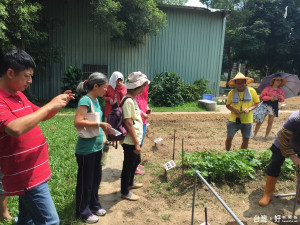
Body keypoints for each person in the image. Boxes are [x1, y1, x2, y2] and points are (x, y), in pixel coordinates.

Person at [0, 49, 74, 224]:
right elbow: (14, 128)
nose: (30, 81)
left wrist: (57, 104)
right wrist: (49, 106)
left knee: (27, 220)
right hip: (27, 176)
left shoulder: (18, 96)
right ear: (10, 73)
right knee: (51, 222)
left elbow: (41, 115)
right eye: (27, 76)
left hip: (34, 171)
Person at [74, 72, 113, 223]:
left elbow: (94, 122)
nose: (106, 90)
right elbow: (78, 121)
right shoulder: (85, 100)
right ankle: (82, 211)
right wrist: (100, 124)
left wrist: (105, 129)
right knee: (85, 181)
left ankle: (93, 204)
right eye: (104, 87)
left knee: (96, 179)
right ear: (95, 86)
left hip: (96, 147)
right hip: (86, 150)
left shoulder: (96, 100)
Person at [259, 110, 300, 206]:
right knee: (275, 164)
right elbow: (283, 139)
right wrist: (294, 157)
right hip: (282, 143)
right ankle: (268, 194)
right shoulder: (295, 120)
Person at [120, 71, 150, 201]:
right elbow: (128, 123)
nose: (144, 88)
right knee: (128, 164)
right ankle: (124, 191)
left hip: (134, 139)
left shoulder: (132, 99)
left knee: (136, 161)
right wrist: (137, 143)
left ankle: (130, 183)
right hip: (130, 140)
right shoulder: (128, 101)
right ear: (137, 87)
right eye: (143, 86)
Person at [225, 72, 260, 151]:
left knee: (246, 139)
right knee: (229, 137)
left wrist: (249, 109)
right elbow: (227, 105)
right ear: (235, 84)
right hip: (234, 119)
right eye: (238, 83)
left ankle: (242, 155)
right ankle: (227, 152)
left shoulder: (252, 91)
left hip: (247, 120)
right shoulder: (231, 93)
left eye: (242, 83)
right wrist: (234, 110)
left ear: (245, 82)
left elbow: (257, 103)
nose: (240, 85)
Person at [135, 84, 151, 175]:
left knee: (140, 143)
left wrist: (148, 109)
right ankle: (135, 167)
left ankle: (137, 163)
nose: (146, 87)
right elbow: (135, 108)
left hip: (143, 122)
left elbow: (144, 104)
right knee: (137, 143)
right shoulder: (135, 96)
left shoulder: (143, 95)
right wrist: (142, 113)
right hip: (138, 122)